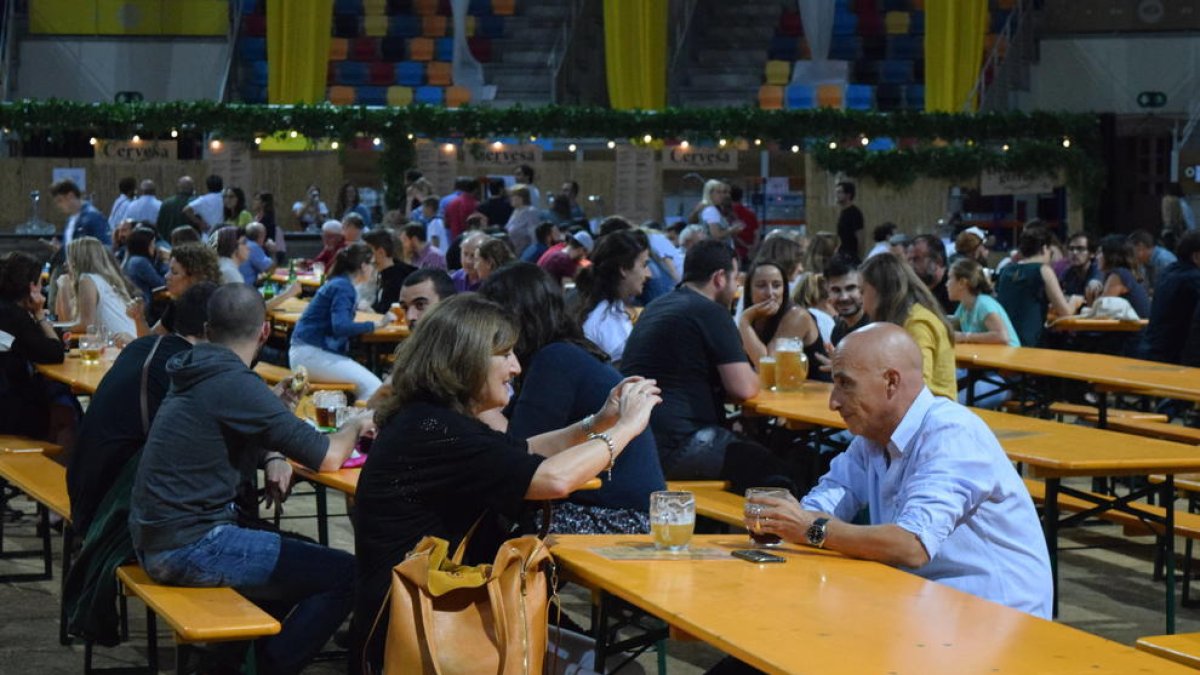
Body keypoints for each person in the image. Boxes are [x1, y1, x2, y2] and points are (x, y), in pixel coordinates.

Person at [350, 294, 660, 671]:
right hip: (422, 632)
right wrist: (627, 428)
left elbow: (524, 450)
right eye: (506, 354)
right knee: (617, 669)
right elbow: (554, 480)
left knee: (605, 662)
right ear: (466, 357)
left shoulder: (430, 419)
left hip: (433, 610)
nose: (516, 366)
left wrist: (597, 422)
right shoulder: (437, 429)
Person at [130, 284, 370, 675]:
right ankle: (265, 668)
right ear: (264, 332)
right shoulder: (235, 382)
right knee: (347, 575)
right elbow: (328, 456)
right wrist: (357, 424)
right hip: (189, 546)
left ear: (208, 329)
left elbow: (225, 422)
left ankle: (230, 661)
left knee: (303, 558)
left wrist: (272, 435)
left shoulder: (196, 368)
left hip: (156, 536)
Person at [748, 323, 1052, 617]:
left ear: (891, 382)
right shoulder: (871, 438)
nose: (834, 402)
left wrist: (811, 529)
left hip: (997, 618)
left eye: (845, 384)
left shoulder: (951, 433)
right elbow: (821, 506)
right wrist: (792, 520)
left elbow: (911, 546)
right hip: (929, 605)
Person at [479, 262, 664, 534]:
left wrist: (473, 397)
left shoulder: (555, 359)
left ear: (514, 318)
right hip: (616, 508)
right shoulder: (562, 353)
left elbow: (520, 457)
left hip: (623, 516)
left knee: (492, 517)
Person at [621, 240, 802, 492]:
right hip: (678, 446)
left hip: (636, 445)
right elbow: (744, 389)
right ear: (719, 278)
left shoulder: (656, 307)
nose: (736, 286)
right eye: (735, 279)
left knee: (748, 451)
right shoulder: (711, 312)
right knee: (779, 472)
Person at [68, 282, 216, 535]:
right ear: (211, 328)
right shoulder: (185, 365)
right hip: (113, 513)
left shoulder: (142, 348)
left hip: (84, 492)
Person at [291, 243, 390, 400]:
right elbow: (341, 326)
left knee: (369, 386)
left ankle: (356, 414)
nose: (374, 268)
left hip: (305, 353)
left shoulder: (339, 282)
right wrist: (376, 324)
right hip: (312, 354)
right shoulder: (344, 287)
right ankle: (360, 417)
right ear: (363, 266)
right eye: (372, 264)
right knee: (374, 388)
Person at [858, 252, 956, 399]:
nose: (860, 300)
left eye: (862, 291)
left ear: (881, 292)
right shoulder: (900, 320)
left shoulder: (917, 323)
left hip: (932, 410)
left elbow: (918, 385)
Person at [0, 251, 70, 443]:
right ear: (31, 287)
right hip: (10, 409)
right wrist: (39, 314)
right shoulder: (14, 316)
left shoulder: (7, 309)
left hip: (8, 398)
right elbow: (55, 354)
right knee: (66, 407)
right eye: (40, 283)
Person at [738, 260, 829, 380]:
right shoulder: (753, 317)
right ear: (749, 291)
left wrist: (744, 322)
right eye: (761, 285)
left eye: (776, 286)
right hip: (779, 391)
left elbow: (769, 370)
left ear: (784, 289)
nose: (770, 293)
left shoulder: (797, 316)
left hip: (817, 390)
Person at [947, 258, 1019, 408]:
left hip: (1006, 376)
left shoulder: (984, 303)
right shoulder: (964, 306)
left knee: (958, 403)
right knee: (942, 381)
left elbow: (1002, 337)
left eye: (950, 278)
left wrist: (965, 337)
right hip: (983, 370)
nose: (946, 284)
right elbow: (952, 327)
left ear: (962, 283)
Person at [994, 225, 1079, 348]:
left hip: (1006, 340)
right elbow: (1066, 312)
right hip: (1030, 342)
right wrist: (1075, 301)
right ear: (1044, 248)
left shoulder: (1006, 270)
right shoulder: (1043, 270)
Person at [577, 230, 652, 365]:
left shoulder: (613, 309)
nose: (648, 274)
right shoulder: (606, 323)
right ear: (623, 269)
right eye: (644, 265)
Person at [55, 237, 138, 341]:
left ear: (78, 259)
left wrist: (63, 288)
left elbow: (86, 325)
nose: (65, 263)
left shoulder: (87, 279)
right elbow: (65, 320)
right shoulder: (104, 279)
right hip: (129, 341)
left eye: (69, 258)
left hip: (122, 345)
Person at [1142, 231, 1200, 364]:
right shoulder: (1193, 279)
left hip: (1151, 350)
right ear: (1196, 257)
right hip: (1173, 357)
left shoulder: (1168, 271)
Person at [1093, 234, 1151, 319]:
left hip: (1138, 326)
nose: (1096, 257)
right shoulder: (1125, 273)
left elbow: (1100, 312)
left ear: (1111, 255)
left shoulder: (1118, 275)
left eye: (1100, 252)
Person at [362, 229, 416, 314]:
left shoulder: (398, 279)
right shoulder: (384, 274)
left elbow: (388, 313)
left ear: (381, 252)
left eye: (367, 252)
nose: (364, 257)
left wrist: (368, 310)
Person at [51, 178, 111, 246]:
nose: (58, 205)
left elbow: (106, 245)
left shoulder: (93, 217)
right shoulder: (70, 220)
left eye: (60, 200)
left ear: (70, 196)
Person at [826, 257, 870, 346]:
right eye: (836, 290)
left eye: (850, 288)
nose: (844, 297)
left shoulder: (875, 329)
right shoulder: (837, 332)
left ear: (864, 288)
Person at [121, 226, 167, 307]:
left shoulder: (131, 259)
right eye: (152, 244)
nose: (155, 247)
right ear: (145, 245)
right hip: (144, 305)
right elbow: (161, 284)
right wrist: (164, 261)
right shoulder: (140, 262)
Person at [908, 234, 954, 315]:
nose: (911, 265)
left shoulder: (954, 289)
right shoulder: (912, 291)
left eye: (916, 259)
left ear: (938, 260)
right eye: (909, 260)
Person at [695, 180, 743, 248]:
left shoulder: (714, 209)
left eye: (722, 192)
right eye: (718, 192)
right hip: (715, 250)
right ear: (710, 194)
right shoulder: (711, 210)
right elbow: (716, 235)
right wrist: (732, 229)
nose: (722, 195)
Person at [1129, 229, 1177, 295]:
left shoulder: (1165, 260)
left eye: (1131, 251)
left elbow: (1171, 288)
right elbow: (1143, 287)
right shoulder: (1143, 261)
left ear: (1141, 247)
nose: (1130, 256)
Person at [1058, 231, 1101, 297]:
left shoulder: (1098, 270)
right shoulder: (1068, 272)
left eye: (1080, 249)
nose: (1074, 252)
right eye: (1071, 249)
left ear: (1092, 254)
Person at [155, 176, 195, 242]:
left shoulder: (166, 203)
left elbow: (159, 226)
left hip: (169, 242)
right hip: (191, 243)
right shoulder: (195, 204)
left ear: (179, 188)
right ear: (192, 189)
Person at [504, 184, 541, 255]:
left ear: (521, 197)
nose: (510, 199)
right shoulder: (516, 211)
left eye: (512, 196)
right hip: (514, 253)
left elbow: (534, 237)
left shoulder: (530, 212)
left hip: (525, 254)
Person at [835, 181, 864, 263]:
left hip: (850, 256)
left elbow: (860, 237)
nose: (837, 195)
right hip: (842, 254)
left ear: (848, 195)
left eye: (840, 192)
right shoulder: (843, 212)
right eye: (836, 192)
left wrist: (858, 257)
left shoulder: (854, 213)